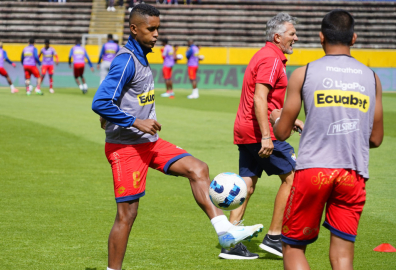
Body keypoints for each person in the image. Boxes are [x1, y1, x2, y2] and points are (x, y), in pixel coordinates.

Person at [91, 4, 263, 270]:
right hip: (125, 147)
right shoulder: (126, 60)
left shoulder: (142, 56)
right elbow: (100, 102)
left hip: (148, 143)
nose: (156, 34)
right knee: (127, 214)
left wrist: (131, 120)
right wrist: (136, 121)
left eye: (158, 28)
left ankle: (224, 232)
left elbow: (118, 102)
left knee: (198, 168)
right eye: (151, 29)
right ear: (134, 29)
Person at [270, 9, 384, 270]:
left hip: (313, 170)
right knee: (343, 254)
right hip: (352, 172)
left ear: (321, 37)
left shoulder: (303, 73)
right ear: (353, 38)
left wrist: (277, 118)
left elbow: (283, 133)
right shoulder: (372, 78)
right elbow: (376, 139)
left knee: (293, 247)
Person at [227, 13, 301, 260]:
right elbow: (260, 98)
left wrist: (292, 121)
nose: (295, 38)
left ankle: (231, 242)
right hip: (258, 132)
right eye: (292, 34)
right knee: (293, 177)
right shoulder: (272, 59)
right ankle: (274, 237)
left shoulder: (264, 54)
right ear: (277, 36)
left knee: (247, 184)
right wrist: (267, 137)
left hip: (245, 129)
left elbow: (269, 104)